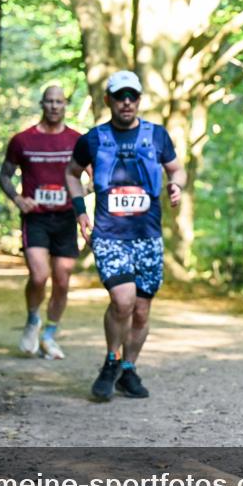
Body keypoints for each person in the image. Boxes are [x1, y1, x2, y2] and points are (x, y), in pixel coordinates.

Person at [65, 71, 187, 401]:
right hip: (109, 235)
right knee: (123, 301)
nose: (127, 102)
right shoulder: (92, 139)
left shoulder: (156, 136)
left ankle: (128, 370)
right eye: (120, 97)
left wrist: (177, 185)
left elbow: (176, 168)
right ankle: (111, 360)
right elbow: (72, 174)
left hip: (148, 235)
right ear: (109, 101)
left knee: (142, 311)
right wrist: (80, 211)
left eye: (132, 96)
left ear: (139, 99)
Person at [0, 85, 84, 359]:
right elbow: (4, 176)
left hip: (66, 217)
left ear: (65, 105)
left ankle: (49, 334)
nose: (54, 106)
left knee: (62, 278)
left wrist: (84, 193)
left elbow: (95, 176)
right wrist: (17, 199)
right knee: (39, 275)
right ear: (42, 104)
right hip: (35, 217)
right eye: (49, 101)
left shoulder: (77, 140)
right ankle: (33, 320)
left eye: (59, 101)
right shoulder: (23, 140)